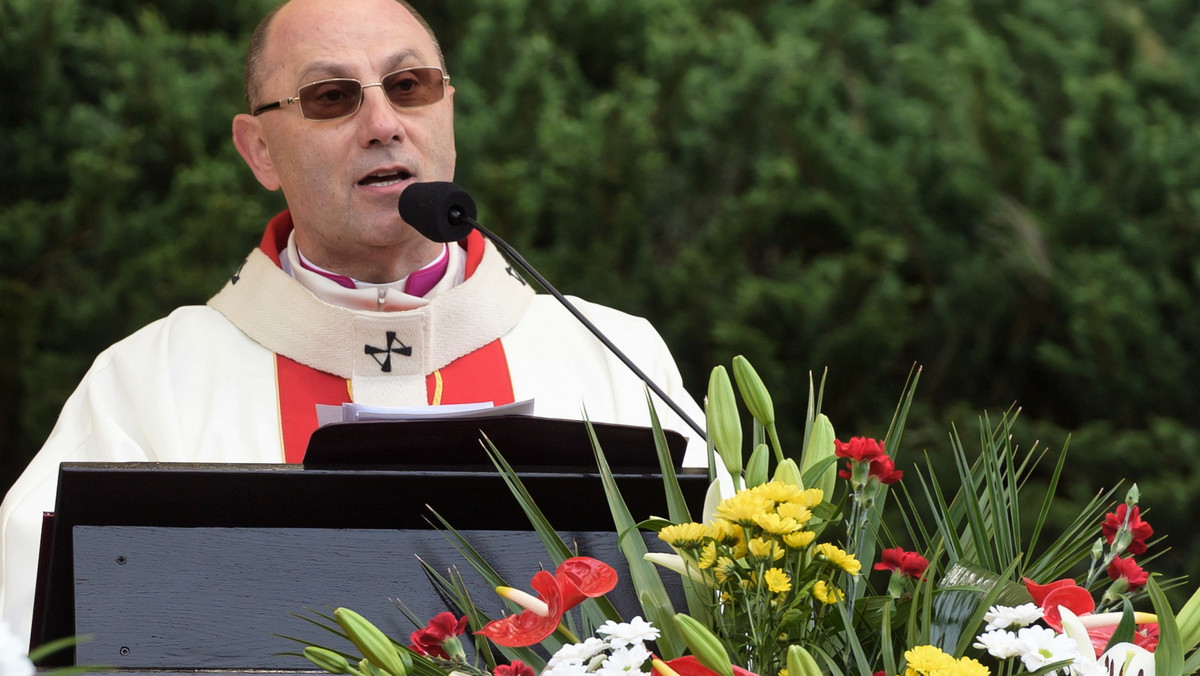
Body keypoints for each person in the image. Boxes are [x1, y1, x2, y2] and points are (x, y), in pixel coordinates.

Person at [0, 0, 706, 647]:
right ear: (260, 151)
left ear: (448, 110)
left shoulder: (609, 354)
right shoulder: (151, 384)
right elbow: (37, 631)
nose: (383, 125)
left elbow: (726, 609)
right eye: (331, 98)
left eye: (409, 86)